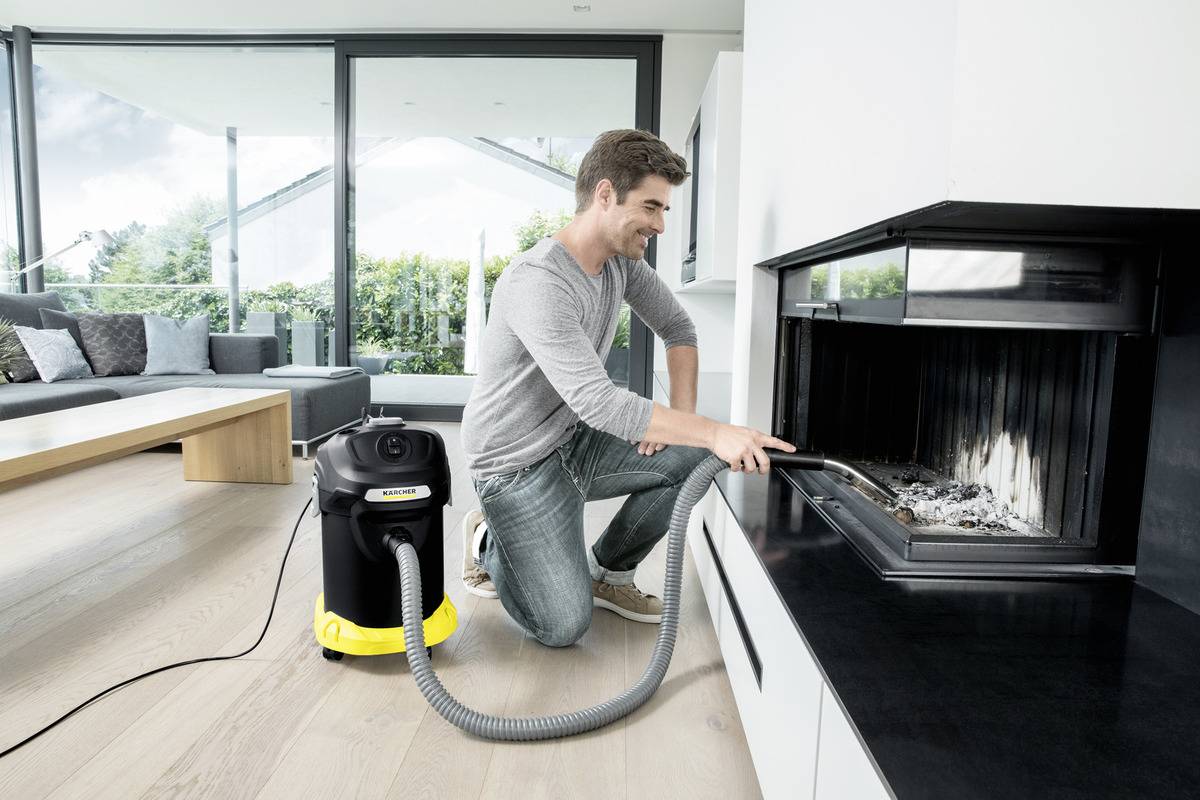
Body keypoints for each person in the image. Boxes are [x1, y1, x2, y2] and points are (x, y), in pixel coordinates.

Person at [460, 129, 794, 647]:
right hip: (516, 464)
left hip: (573, 439)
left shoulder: (621, 265)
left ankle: (608, 575)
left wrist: (687, 426)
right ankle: (488, 540)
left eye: (664, 210)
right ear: (605, 194)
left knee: (693, 460)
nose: (660, 225)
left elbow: (679, 330)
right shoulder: (538, 281)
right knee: (562, 627)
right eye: (652, 207)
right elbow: (598, 400)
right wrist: (710, 430)